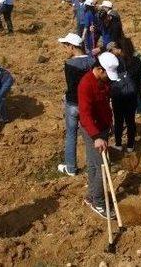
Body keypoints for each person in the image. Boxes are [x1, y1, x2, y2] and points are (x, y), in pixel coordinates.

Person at [78, 52, 119, 219]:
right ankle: (99, 203)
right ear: (99, 69)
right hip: (93, 131)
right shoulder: (86, 85)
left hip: (103, 127)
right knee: (102, 167)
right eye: (107, 75)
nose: (108, 79)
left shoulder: (102, 81)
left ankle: (91, 195)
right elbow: (85, 115)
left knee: (95, 165)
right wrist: (96, 137)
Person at [57, 33, 94, 176]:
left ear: (72, 47)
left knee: (71, 134)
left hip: (73, 103)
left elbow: (71, 85)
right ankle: (94, 165)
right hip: (88, 103)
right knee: (90, 134)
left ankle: (71, 167)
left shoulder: (69, 64)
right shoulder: (92, 62)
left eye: (66, 46)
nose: (65, 49)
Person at [107, 38, 141, 152]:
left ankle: (118, 143)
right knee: (130, 120)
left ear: (120, 49)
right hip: (132, 95)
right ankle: (131, 145)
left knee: (118, 120)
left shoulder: (116, 62)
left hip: (118, 96)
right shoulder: (136, 61)